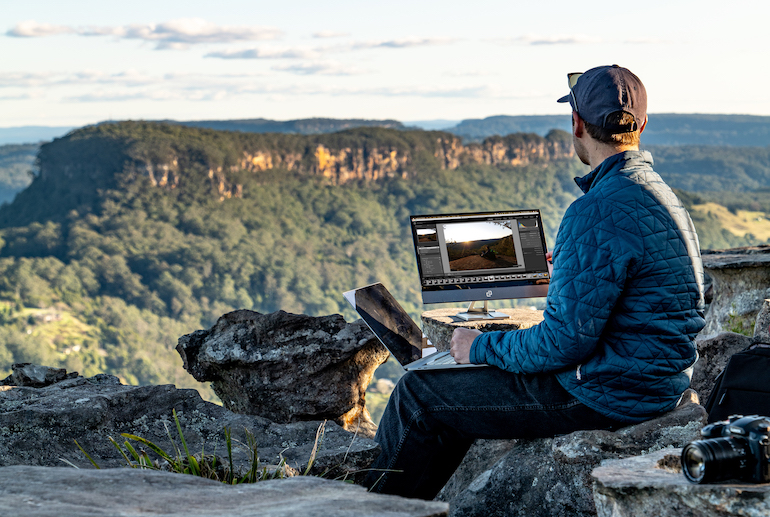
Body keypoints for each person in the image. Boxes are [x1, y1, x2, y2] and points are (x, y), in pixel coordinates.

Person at [363, 65, 706, 500]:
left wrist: (478, 347)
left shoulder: (594, 210)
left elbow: (562, 344)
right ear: (641, 125)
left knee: (419, 393)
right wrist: (571, 268)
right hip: (655, 382)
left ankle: (370, 509)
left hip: (605, 393)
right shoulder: (660, 194)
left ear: (577, 123)